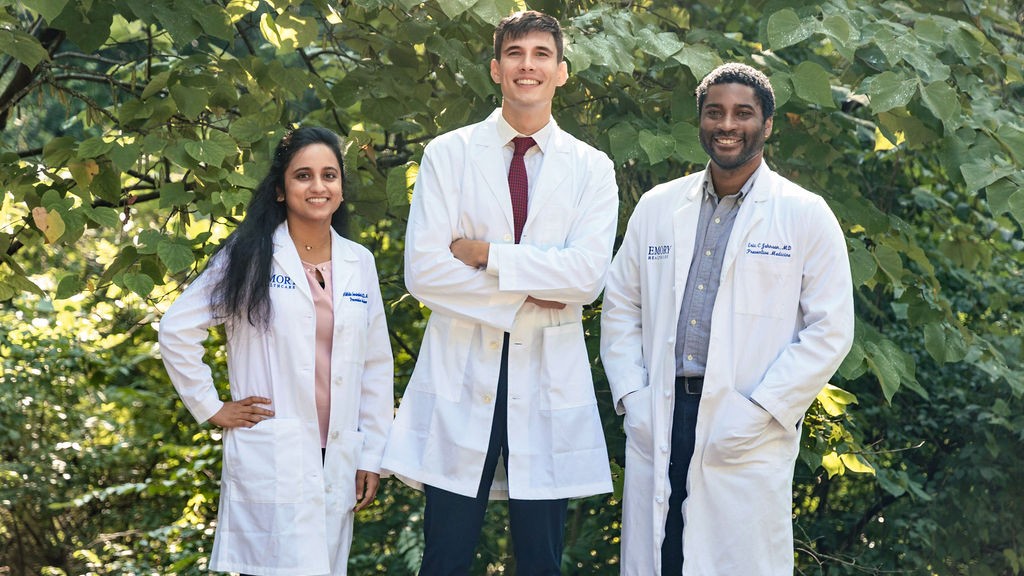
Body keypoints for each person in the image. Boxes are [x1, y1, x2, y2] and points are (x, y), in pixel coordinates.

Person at [381, 10, 618, 575]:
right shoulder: (448, 153)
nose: (527, 65)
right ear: (495, 68)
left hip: (546, 375)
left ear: (561, 71)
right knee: (445, 556)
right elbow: (424, 272)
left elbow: (585, 279)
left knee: (541, 559)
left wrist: (488, 256)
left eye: (541, 54)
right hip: (461, 372)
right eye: (515, 54)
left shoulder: (592, 168)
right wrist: (532, 289)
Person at [600, 62, 855, 575]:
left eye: (743, 113)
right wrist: (633, 395)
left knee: (736, 561)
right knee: (663, 557)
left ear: (767, 124)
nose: (727, 124)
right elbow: (621, 305)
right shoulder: (657, 207)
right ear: (700, 120)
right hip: (663, 410)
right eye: (715, 112)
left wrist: (759, 408)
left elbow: (829, 331)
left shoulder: (804, 214)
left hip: (745, 419)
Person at [158, 126, 394, 576]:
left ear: (342, 188)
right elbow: (176, 328)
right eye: (303, 175)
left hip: (337, 453)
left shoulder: (358, 261)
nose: (318, 186)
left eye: (329, 175)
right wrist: (211, 407)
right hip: (275, 450)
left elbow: (376, 366)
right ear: (282, 189)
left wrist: (372, 455)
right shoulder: (249, 255)